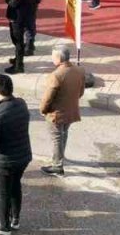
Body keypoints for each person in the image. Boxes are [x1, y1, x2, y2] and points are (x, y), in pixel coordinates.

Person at [0, 74, 30, 234]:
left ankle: (4, 225)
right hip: (23, 156)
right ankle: (15, 219)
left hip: (4, 160)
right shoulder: (22, 104)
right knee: (16, 186)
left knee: (3, 192)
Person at [40, 45, 83, 176]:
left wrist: (43, 109)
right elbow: (80, 92)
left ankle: (57, 165)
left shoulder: (56, 75)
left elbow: (48, 98)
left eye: (53, 56)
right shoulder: (79, 70)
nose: (52, 59)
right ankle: (60, 158)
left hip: (56, 113)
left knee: (57, 138)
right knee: (63, 134)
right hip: (71, 110)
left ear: (59, 58)